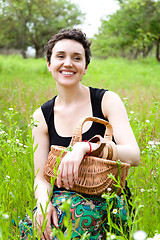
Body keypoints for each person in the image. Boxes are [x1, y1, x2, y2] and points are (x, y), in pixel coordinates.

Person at [19, 28, 140, 240]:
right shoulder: (41, 116)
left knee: (77, 222)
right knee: (37, 227)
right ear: (49, 65)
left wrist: (86, 147)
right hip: (63, 200)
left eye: (77, 58)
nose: (68, 63)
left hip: (107, 202)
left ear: (85, 67)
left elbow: (134, 155)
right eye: (60, 56)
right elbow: (41, 177)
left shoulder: (106, 101)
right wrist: (43, 206)